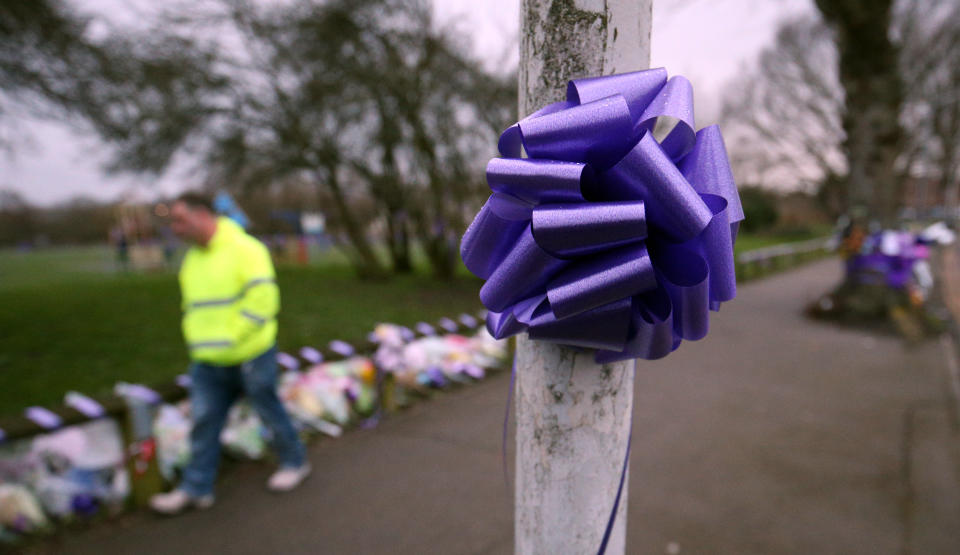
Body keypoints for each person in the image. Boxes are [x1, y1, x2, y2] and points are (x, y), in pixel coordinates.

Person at [150, 192, 309, 515]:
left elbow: (263, 300)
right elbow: (193, 308)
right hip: (208, 362)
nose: (175, 228)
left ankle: (294, 462)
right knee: (204, 423)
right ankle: (196, 488)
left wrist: (232, 337)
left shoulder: (246, 249)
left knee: (269, 410)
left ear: (203, 215)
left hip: (251, 354)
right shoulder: (193, 259)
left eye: (180, 220)